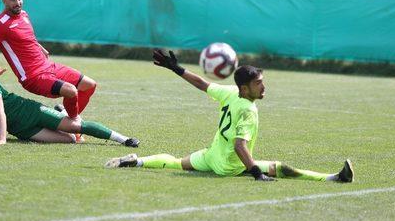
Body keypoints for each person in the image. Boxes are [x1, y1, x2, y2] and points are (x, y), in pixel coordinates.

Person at [105, 49, 353, 183]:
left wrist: (176, 68)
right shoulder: (247, 109)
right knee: (282, 168)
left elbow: (203, 84)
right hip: (228, 166)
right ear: (245, 88)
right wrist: (256, 172)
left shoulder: (230, 93)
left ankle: (137, 161)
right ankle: (333, 178)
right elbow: (239, 145)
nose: (264, 87)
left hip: (212, 155)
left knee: (178, 162)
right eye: (259, 84)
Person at [0, 62, 139, 147]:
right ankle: (60, 112)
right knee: (70, 140)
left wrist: (2, 139)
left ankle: (123, 139)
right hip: (22, 130)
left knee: (75, 126)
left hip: (29, 111)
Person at [0, 0, 96, 133]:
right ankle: (75, 127)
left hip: (48, 66)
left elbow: (28, 38)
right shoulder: (0, 25)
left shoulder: (24, 15)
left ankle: (66, 119)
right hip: (33, 76)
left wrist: (40, 47)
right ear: (4, 0)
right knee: (71, 91)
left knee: (89, 85)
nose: (18, 2)